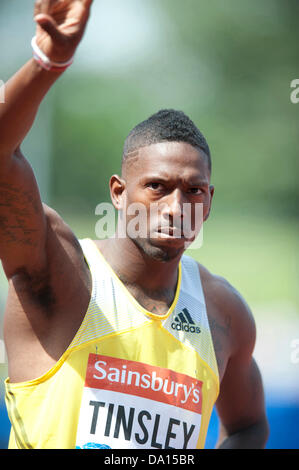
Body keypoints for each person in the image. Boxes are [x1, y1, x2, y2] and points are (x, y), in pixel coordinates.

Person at [0, 0, 269, 450]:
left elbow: (248, 426)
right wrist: (49, 62)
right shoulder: (62, 272)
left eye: (194, 191)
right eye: (157, 187)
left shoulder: (223, 313)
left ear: (209, 201)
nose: (175, 207)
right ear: (119, 193)